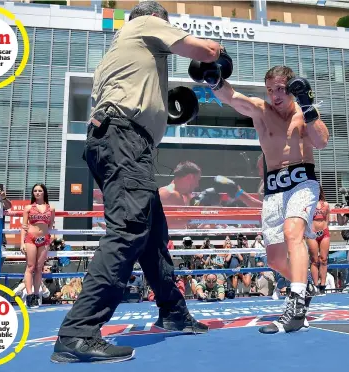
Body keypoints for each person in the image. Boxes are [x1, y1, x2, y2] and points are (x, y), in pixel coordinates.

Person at [52, 1, 222, 364]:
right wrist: (217, 54)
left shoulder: (126, 50)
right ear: (157, 20)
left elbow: (135, 105)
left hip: (121, 141)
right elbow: (203, 51)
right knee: (129, 230)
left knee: (152, 236)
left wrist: (170, 114)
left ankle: (173, 312)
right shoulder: (147, 23)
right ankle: (78, 331)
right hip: (124, 142)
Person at [198, 62, 329, 334]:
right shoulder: (261, 111)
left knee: (293, 232)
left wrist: (307, 105)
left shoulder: (302, 114)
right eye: (271, 90)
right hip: (273, 188)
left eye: (281, 89)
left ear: (292, 88)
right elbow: (233, 98)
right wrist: (214, 81)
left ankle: (294, 307)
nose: (276, 95)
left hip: (302, 182)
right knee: (274, 258)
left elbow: (322, 142)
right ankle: (302, 290)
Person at [21, 184, 55, 309]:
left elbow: (50, 225)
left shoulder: (51, 209)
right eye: (35, 191)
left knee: (39, 268)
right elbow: (24, 227)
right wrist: (22, 242)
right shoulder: (28, 207)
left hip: (44, 240)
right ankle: (30, 296)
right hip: (31, 239)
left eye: (40, 191)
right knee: (30, 267)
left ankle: (36, 294)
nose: (37, 193)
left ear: (44, 192)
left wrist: (46, 235)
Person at [306, 186, 330, 295]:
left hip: (324, 232)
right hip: (312, 233)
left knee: (324, 259)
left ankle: (323, 286)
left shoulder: (326, 204)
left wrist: (323, 229)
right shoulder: (308, 204)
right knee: (314, 260)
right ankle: (315, 286)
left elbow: (327, 220)